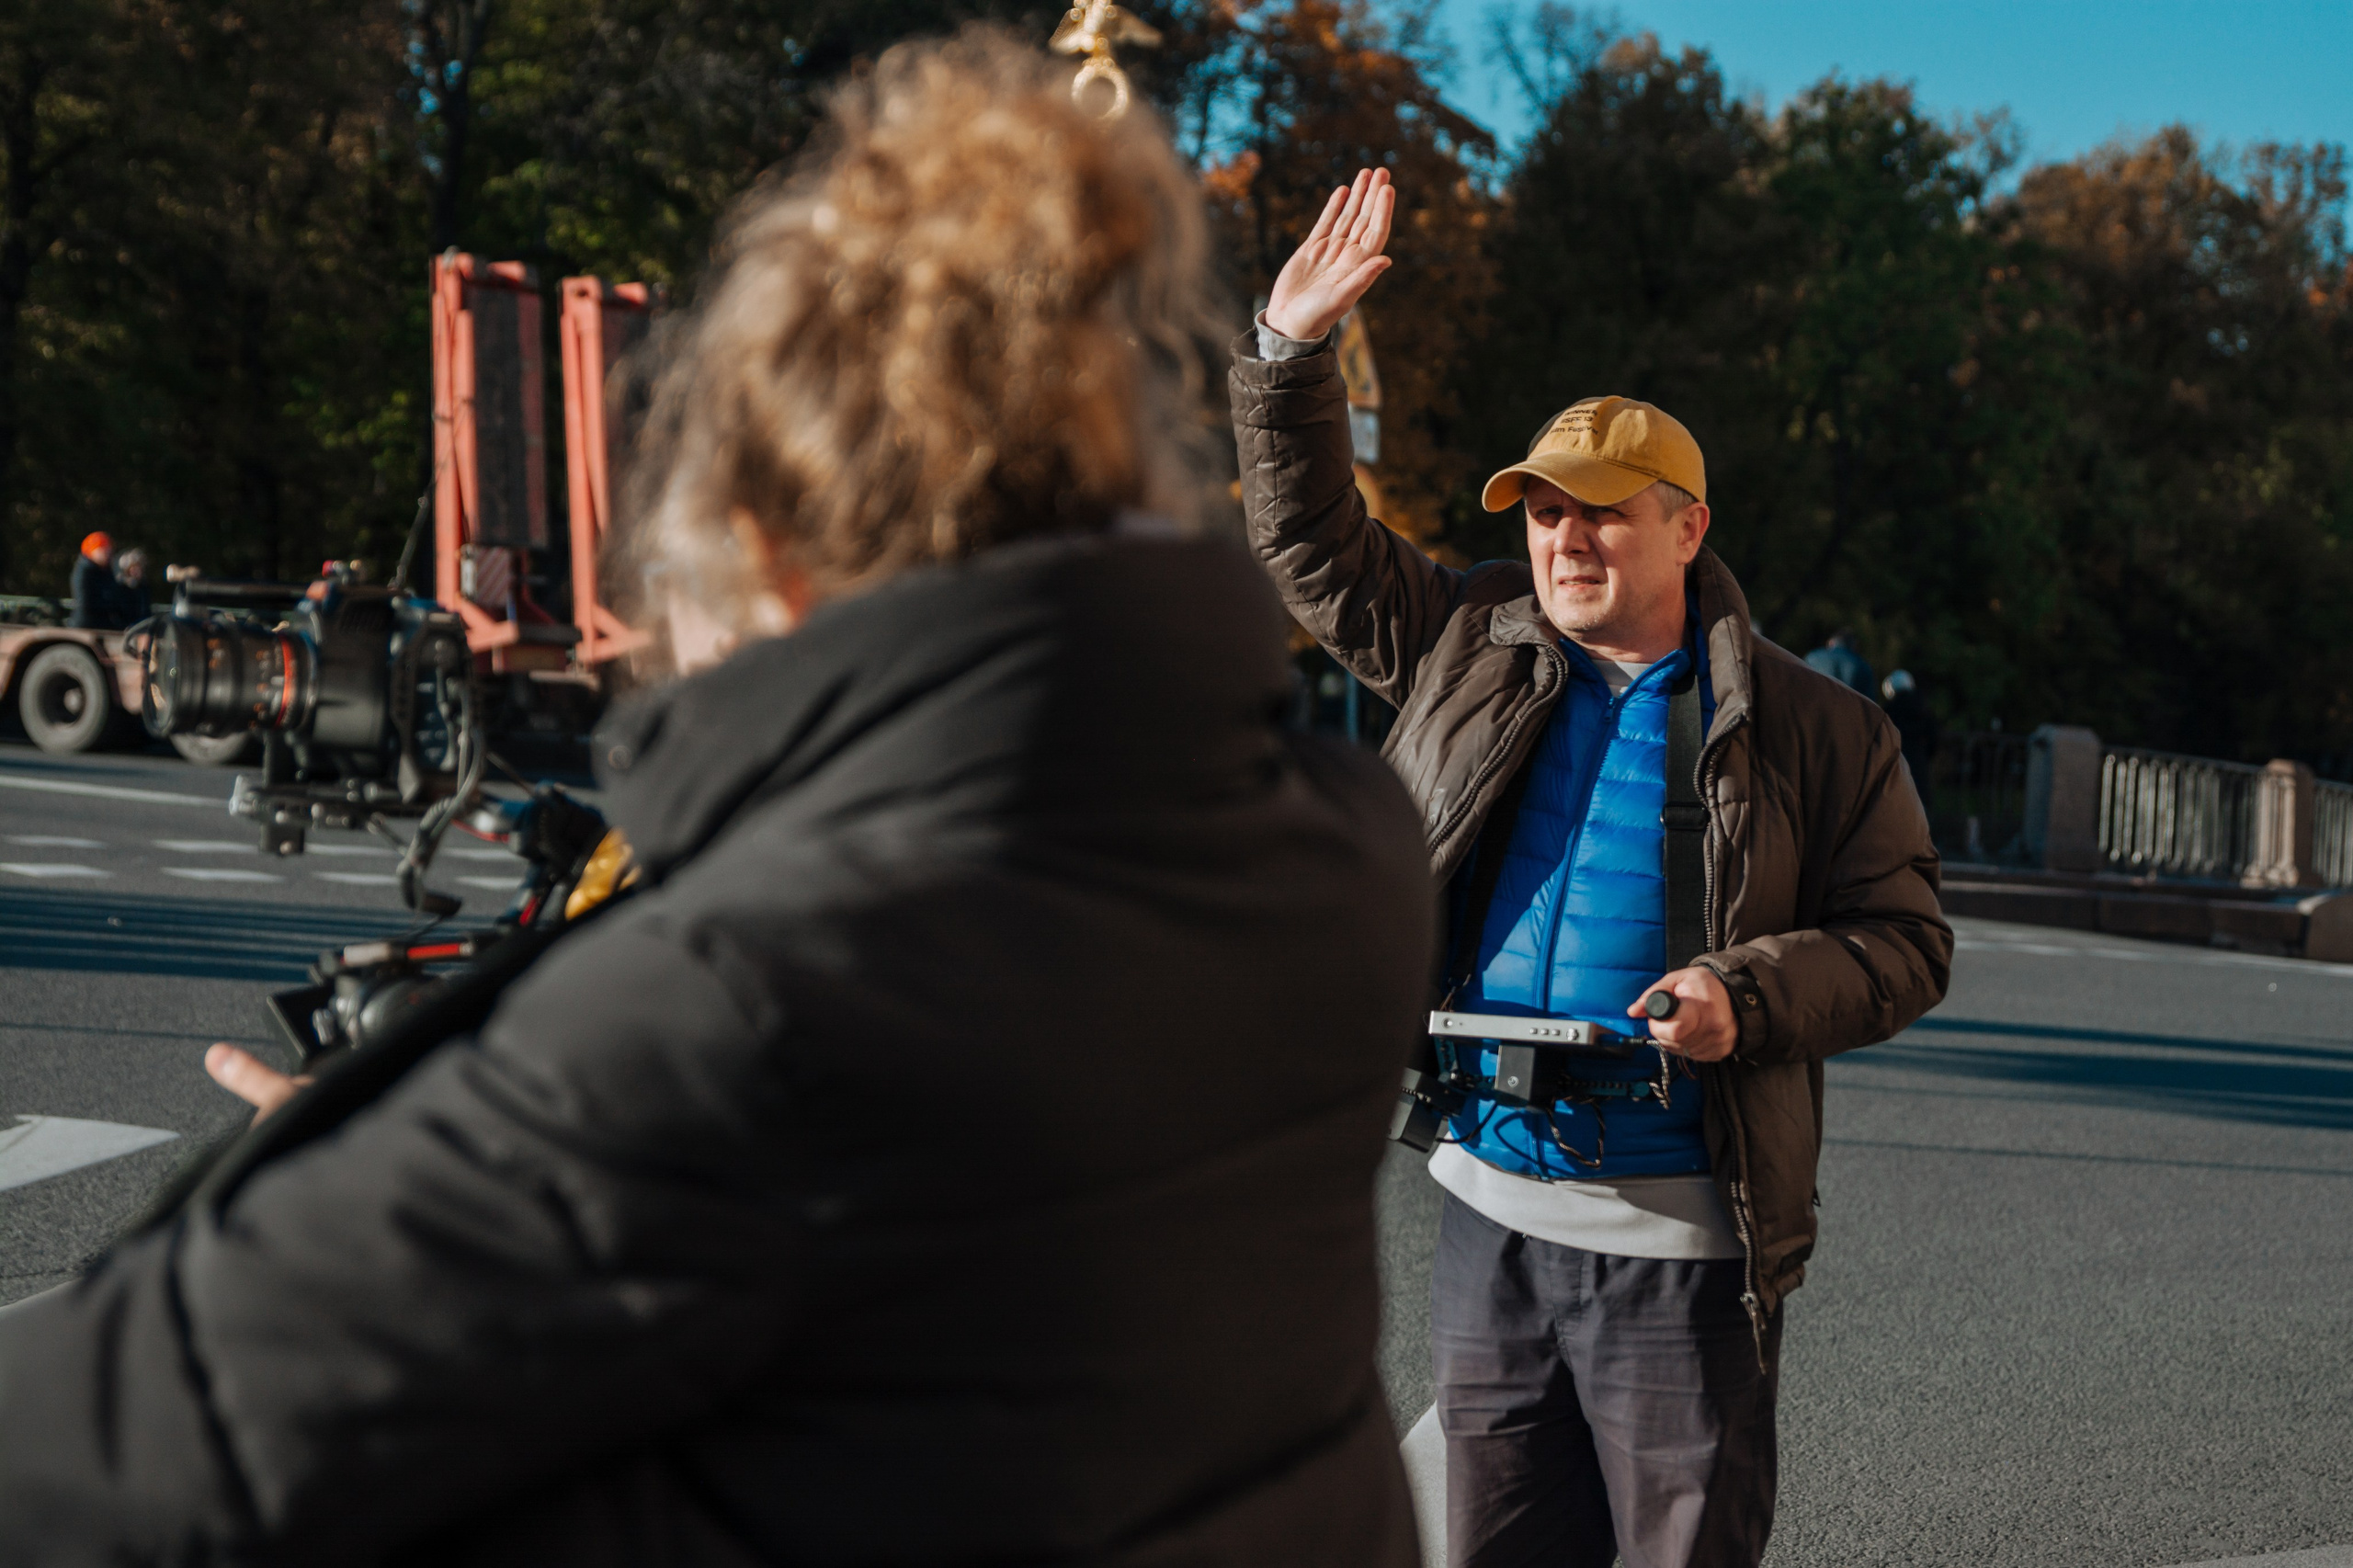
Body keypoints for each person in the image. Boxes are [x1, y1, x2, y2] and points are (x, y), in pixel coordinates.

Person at [0, 33, 1433, 1566]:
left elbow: (103, 1447)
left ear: (765, 543)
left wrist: (339, 1185)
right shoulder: (1340, 853)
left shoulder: (753, 1002)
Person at [1230, 166, 1950, 1568]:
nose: (1566, 539)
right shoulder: (1467, 644)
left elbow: (1907, 943)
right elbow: (1310, 546)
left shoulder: (1819, 726)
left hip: (1685, 1236)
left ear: (1687, 527)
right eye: (1545, 512)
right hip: (1488, 1204)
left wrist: (1748, 994)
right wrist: (1287, 354)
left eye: (1605, 512)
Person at [1881, 669, 1938, 812]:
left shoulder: (1888, 712)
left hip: (1895, 770)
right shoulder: (1923, 709)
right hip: (1919, 770)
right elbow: (1934, 738)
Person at [66, 531, 122, 629]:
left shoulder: (106, 571)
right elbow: (85, 602)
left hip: (103, 624)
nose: (107, 554)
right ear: (91, 552)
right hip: (88, 626)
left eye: (108, 550)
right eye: (103, 550)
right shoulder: (84, 572)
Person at [1803, 628, 1875, 696]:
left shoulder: (1812, 657)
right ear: (1853, 645)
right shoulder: (1862, 664)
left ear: (1830, 642)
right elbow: (1870, 701)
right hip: (1847, 707)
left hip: (1816, 706)